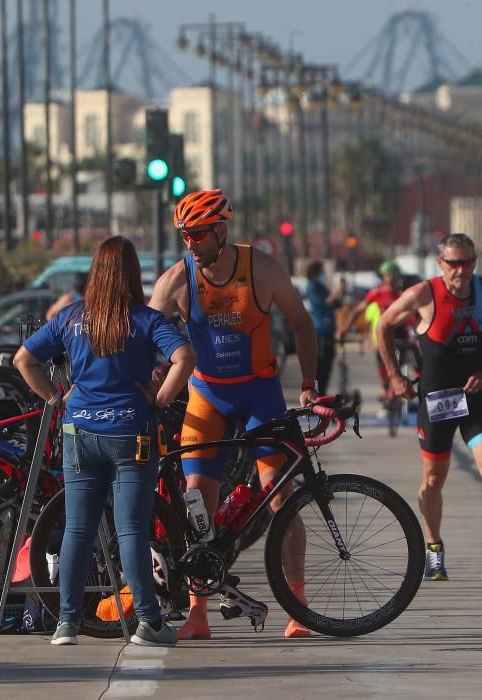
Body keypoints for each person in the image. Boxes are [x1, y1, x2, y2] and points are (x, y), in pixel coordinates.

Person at [148, 188, 318, 640]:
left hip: (261, 394)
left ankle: (298, 607)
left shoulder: (262, 269)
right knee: (196, 502)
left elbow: (302, 324)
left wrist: (308, 384)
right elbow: (143, 335)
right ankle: (198, 614)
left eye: (199, 234)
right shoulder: (176, 280)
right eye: (185, 235)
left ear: (221, 230)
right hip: (208, 395)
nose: (191, 243)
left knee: (281, 499)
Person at [14, 237, 195, 647]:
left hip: (80, 433)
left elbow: (23, 359)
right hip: (132, 433)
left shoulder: (71, 319)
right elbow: (185, 357)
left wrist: (53, 397)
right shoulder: (146, 320)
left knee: (78, 527)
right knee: (130, 529)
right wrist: (161, 398)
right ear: (132, 273)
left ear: (95, 272)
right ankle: (149, 622)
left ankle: (66, 623)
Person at [375, 233, 482, 583]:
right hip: (438, 397)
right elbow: (383, 326)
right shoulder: (423, 294)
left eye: (468, 261)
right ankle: (434, 549)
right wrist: (395, 376)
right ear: (441, 264)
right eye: (454, 262)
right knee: (434, 479)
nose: (462, 270)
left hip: (476, 393)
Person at [337, 260, 405, 404]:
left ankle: (394, 390)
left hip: (401, 334)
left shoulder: (404, 294)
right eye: (387, 275)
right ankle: (385, 388)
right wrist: (344, 329)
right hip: (383, 336)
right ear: (383, 277)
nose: (391, 278)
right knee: (383, 367)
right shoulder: (377, 293)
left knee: (401, 364)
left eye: (393, 275)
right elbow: (357, 311)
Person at [305, 261, 345, 395]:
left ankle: (323, 392)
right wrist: (337, 291)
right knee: (320, 365)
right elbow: (322, 303)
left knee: (328, 363)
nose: (324, 274)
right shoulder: (312, 287)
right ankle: (317, 393)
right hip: (320, 331)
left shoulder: (322, 287)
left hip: (329, 331)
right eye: (322, 271)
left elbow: (337, 303)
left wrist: (338, 291)